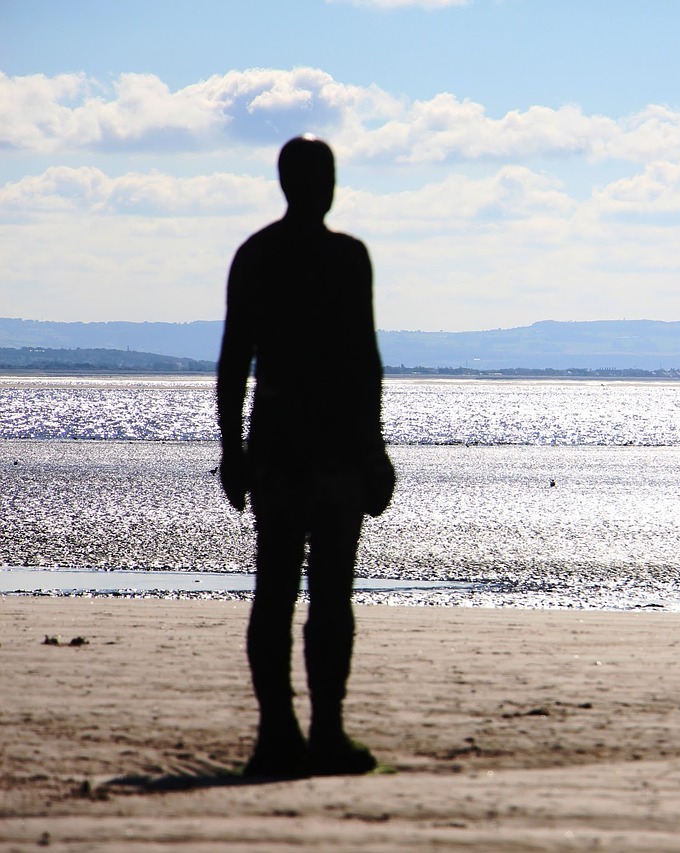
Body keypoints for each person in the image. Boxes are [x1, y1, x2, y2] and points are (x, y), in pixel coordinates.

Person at [217, 135, 395, 778]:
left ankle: (299, 732)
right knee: (319, 595)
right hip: (319, 452)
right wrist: (373, 449)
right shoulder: (343, 258)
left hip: (290, 449)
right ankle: (303, 732)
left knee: (284, 595)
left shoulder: (261, 254)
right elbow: (361, 363)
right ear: (314, 184)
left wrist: (233, 447)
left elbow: (236, 362)